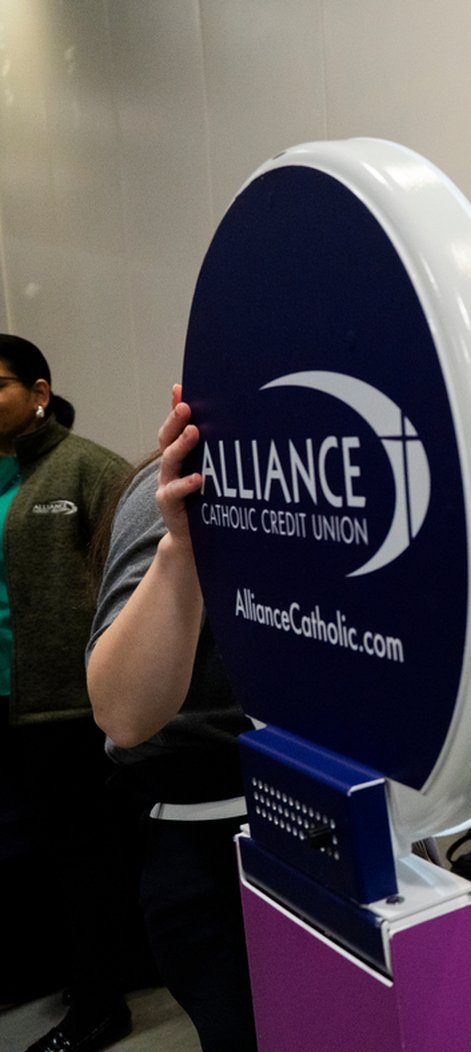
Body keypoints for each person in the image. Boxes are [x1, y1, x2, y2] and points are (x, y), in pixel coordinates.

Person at [86, 386, 258, 1051]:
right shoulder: (184, 485)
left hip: (352, 812)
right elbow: (124, 714)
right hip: (211, 840)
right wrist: (180, 551)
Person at [0, 333, 136, 1052]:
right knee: (36, 858)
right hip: (9, 703)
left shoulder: (89, 469)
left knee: (82, 858)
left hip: (68, 706)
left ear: (40, 391)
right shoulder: (3, 475)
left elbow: (133, 584)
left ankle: (100, 1005)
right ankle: (78, 974)